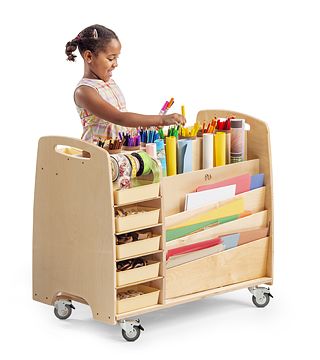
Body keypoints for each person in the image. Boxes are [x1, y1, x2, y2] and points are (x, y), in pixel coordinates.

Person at [65, 24, 186, 143]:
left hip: (120, 150)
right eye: (111, 58)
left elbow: (122, 124)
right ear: (89, 56)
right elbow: (119, 118)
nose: (116, 64)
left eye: (117, 58)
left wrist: (147, 127)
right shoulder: (84, 91)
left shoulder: (110, 83)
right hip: (98, 155)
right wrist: (161, 120)